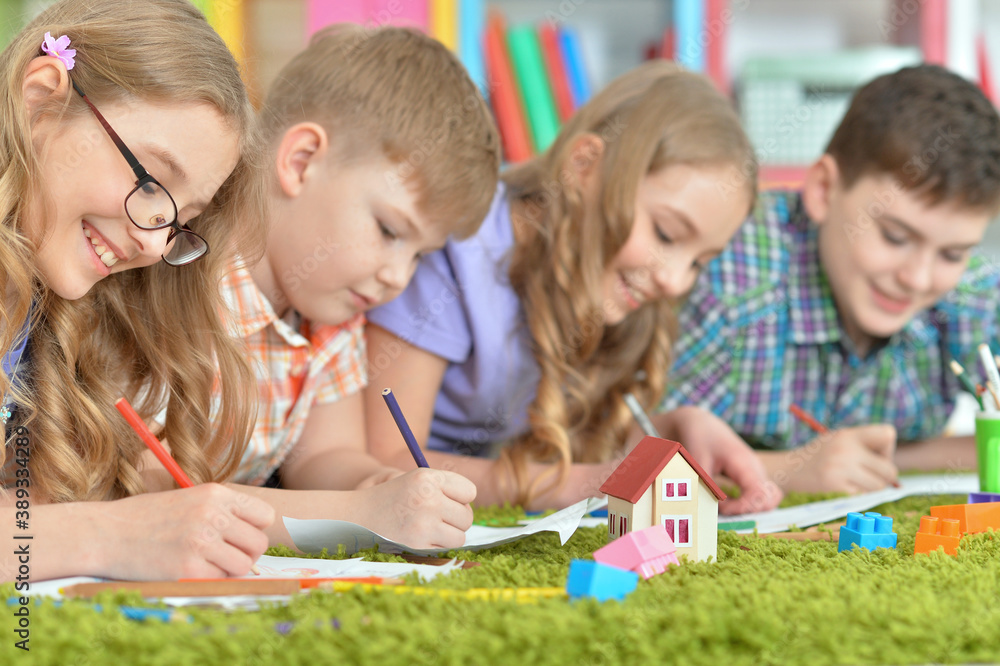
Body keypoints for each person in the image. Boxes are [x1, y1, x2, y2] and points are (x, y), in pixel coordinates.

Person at [365, 61, 781, 513]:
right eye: (665, 233)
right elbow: (384, 462)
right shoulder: (457, 250)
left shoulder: (600, 282)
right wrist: (571, 485)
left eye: (700, 262)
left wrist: (680, 424)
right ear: (584, 166)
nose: (674, 280)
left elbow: (567, 437)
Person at [0, 0, 275, 581]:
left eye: (181, 220)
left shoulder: (49, 310)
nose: (155, 247)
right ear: (42, 99)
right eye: (151, 182)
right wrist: (105, 536)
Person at [216, 25, 500, 549]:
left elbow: (325, 457)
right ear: (300, 162)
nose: (399, 276)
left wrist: (375, 485)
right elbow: (155, 489)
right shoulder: (184, 279)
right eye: (390, 231)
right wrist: (358, 513)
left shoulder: (333, 316)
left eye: (420, 255)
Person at [659, 65, 1000, 494]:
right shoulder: (727, 274)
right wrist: (787, 467)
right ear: (822, 189)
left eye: (953, 254)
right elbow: (617, 449)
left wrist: (886, 459)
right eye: (895, 236)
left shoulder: (972, 295)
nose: (917, 278)